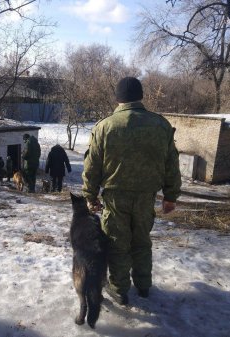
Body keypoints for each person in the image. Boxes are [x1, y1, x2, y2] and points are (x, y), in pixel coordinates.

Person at [82, 77, 181, 305]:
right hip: (147, 196)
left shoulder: (105, 126)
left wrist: (90, 196)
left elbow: (92, 166)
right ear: (141, 96)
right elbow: (172, 164)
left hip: (116, 198)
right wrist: (170, 196)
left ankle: (119, 289)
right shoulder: (161, 125)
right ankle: (144, 285)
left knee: (117, 243)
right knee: (142, 242)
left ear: (118, 98)